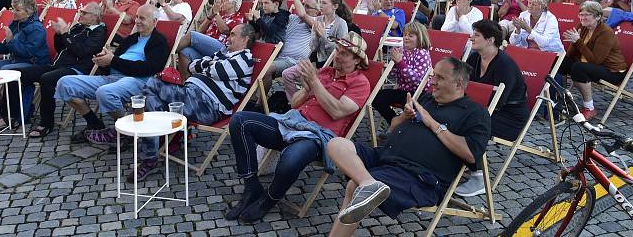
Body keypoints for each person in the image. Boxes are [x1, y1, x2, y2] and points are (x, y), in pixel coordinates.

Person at [325, 58, 490, 233]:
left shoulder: (475, 113)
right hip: (385, 158)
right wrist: (405, 116)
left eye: (440, 78)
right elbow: (393, 126)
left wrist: (432, 123)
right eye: (434, 76)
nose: (432, 81)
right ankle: (369, 183)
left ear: (458, 84)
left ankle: (366, 185)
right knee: (336, 144)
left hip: (417, 175)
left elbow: (471, 154)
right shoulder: (426, 99)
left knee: (354, 186)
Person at [224, 33, 372, 223]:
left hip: (318, 136)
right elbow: (294, 103)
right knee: (239, 121)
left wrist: (315, 83)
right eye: (337, 50)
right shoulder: (325, 73)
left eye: (344, 54)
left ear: (357, 60)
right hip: (293, 122)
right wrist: (308, 86)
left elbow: (337, 111)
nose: (337, 55)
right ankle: (252, 186)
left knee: (290, 156)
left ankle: (268, 200)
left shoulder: (360, 83)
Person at [130, 24, 258, 180]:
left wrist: (206, 64)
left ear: (244, 39)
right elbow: (192, 66)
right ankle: (157, 143)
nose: (228, 38)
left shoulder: (244, 59)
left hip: (207, 105)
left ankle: (155, 145)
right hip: (191, 96)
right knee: (150, 97)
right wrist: (207, 64)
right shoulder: (224, 53)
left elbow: (214, 70)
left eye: (233, 35)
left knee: (152, 84)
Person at [55, 5, 169, 143]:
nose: (137, 21)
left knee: (105, 92)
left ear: (155, 21)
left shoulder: (159, 42)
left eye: (142, 18)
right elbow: (115, 61)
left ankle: (127, 131)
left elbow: (149, 68)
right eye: (137, 17)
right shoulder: (132, 38)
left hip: (137, 81)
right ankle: (94, 122)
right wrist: (105, 61)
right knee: (65, 83)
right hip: (113, 77)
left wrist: (113, 60)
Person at [0, 2, 107, 138]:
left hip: (76, 69)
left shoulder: (98, 32)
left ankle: (46, 123)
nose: (81, 14)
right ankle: (11, 116)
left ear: (95, 17)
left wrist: (66, 34)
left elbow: (82, 52)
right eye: (81, 11)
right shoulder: (78, 27)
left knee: (47, 79)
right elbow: (60, 48)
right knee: (14, 75)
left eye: (84, 12)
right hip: (57, 66)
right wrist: (58, 35)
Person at [459, 20, 528, 196]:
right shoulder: (474, 58)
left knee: (469, 125)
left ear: (490, 40)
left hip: (509, 117)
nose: (471, 37)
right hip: (482, 110)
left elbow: (499, 102)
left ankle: (479, 177)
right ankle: (456, 160)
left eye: (476, 35)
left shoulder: (504, 65)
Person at [0, 0, 50, 115]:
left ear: (28, 12)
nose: (13, 12)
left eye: (17, 10)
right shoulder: (16, 23)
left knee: (6, 69)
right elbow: (6, 49)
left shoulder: (37, 29)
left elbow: (27, 52)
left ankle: (10, 110)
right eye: (13, 9)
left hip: (33, 63)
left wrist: (11, 40)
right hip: (17, 59)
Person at [559, 1, 626, 120]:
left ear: (598, 16)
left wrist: (578, 42)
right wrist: (575, 42)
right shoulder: (582, 27)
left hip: (613, 71)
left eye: (587, 14)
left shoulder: (605, 32)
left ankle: (589, 108)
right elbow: (570, 55)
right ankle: (563, 98)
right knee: (561, 62)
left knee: (578, 68)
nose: (582, 17)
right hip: (591, 65)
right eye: (581, 14)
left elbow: (596, 61)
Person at [371, 22, 432, 124]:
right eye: (404, 35)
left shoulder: (422, 53)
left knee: (408, 106)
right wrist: (393, 64)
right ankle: (394, 121)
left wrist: (400, 62)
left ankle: (402, 127)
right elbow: (395, 74)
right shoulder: (402, 51)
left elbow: (417, 80)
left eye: (410, 35)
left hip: (418, 93)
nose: (406, 38)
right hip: (403, 90)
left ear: (420, 38)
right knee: (377, 98)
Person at [175, 0, 245, 76]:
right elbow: (200, 31)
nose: (221, 4)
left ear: (232, 4)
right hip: (208, 47)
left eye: (224, 1)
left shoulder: (238, 17)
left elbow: (225, 30)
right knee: (185, 52)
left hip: (222, 48)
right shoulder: (219, 16)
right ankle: (185, 82)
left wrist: (216, 14)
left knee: (191, 35)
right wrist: (209, 17)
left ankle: (167, 55)